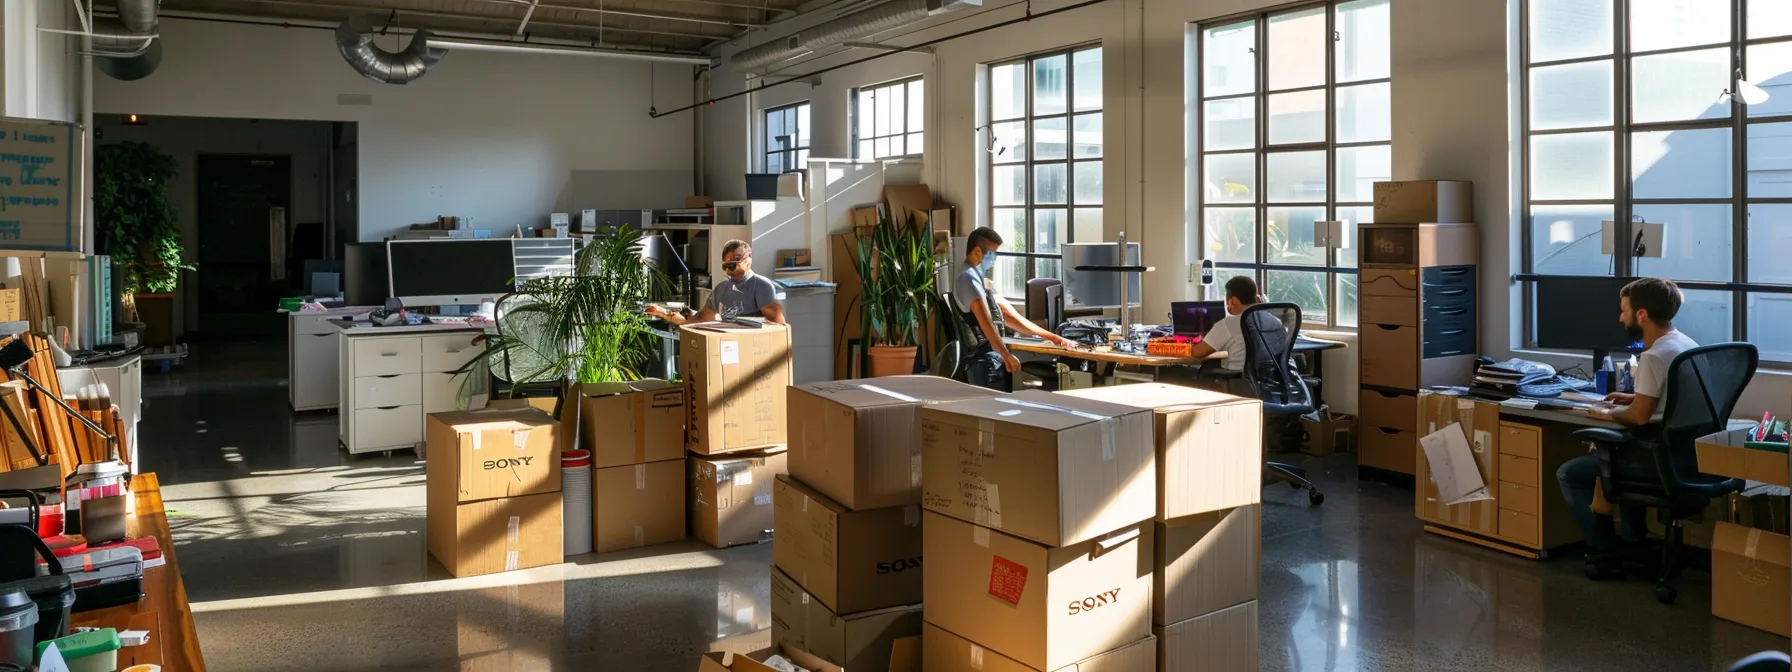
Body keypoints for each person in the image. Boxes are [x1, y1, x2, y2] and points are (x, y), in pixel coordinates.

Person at [1555, 277, 1697, 559]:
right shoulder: (1683, 343)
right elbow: (1674, 399)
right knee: (1618, 459)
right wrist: (1634, 397)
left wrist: (1607, 413)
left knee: (1569, 473)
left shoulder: (1654, 356)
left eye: (1624, 310)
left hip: (1651, 457)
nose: (1621, 318)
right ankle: (1634, 542)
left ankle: (1602, 549)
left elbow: (1639, 418)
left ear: (1641, 315)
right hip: (1682, 455)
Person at [952, 227, 1073, 390]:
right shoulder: (967, 280)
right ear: (977, 251)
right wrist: (1006, 355)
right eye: (992, 253)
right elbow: (986, 323)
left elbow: (1010, 316)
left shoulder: (981, 280)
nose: (994, 258)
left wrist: (1052, 337)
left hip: (994, 358)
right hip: (982, 362)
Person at [646, 239, 786, 326]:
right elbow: (701, 320)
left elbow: (778, 327)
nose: (728, 272)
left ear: (748, 261)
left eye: (732, 266)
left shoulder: (761, 286)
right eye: (725, 267)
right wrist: (664, 314)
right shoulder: (722, 288)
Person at [1186, 275, 1272, 372]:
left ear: (1233, 301)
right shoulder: (1274, 322)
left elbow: (1197, 352)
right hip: (1269, 381)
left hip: (1237, 380)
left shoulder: (1228, 324)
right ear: (1256, 298)